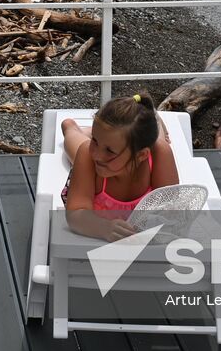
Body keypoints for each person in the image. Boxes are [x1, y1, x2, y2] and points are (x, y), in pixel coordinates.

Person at [61, 92, 178, 242]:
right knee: (74, 143)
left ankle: (155, 120)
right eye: (95, 140)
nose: (97, 155)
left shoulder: (159, 153)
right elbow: (75, 213)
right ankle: (73, 127)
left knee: (158, 141)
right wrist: (103, 228)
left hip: (143, 147)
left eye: (109, 151)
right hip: (104, 152)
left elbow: (172, 209)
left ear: (142, 155)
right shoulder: (88, 155)